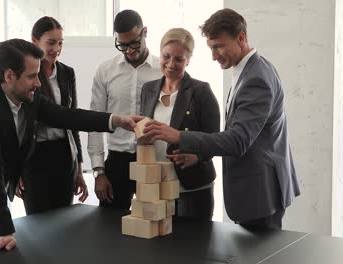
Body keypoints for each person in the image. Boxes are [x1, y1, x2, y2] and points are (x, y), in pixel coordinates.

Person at [0, 38, 140, 254]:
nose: (38, 82)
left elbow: (67, 116)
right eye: (32, 76)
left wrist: (115, 120)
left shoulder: (28, 98)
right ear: (9, 75)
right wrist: (3, 230)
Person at [144, 8, 300, 229]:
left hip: (260, 193)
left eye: (219, 46)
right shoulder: (248, 70)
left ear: (241, 38)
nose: (214, 55)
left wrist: (178, 136)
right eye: (211, 47)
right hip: (257, 190)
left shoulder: (257, 78)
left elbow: (237, 141)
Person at [140, 28, 220, 220]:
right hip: (157, 185)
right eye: (166, 56)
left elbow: (216, 139)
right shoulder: (148, 89)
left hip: (192, 186)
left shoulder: (201, 91)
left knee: (192, 247)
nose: (171, 64)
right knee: (158, 247)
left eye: (179, 59)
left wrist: (197, 156)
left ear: (188, 60)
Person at [88, 9, 162, 209]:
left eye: (134, 43)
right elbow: (96, 121)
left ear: (145, 32)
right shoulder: (105, 71)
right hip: (117, 161)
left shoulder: (163, 69)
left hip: (153, 157)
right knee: (109, 227)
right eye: (122, 45)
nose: (129, 50)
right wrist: (98, 171)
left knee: (153, 222)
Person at [15, 16, 88, 215]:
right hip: (34, 157)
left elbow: (72, 120)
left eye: (60, 43)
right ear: (35, 42)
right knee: (37, 224)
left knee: (64, 222)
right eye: (51, 42)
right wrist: (15, 169)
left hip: (63, 157)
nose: (56, 48)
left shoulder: (66, 73)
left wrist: (79, 169)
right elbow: (16, 125)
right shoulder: (26, 75)